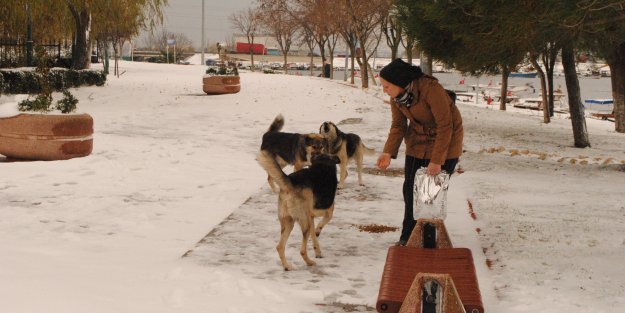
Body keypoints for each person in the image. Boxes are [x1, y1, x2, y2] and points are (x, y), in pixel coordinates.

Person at [376, 59, 464, 246]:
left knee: (430, 194)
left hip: (446, 143)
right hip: (417, 141)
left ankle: (428, 240)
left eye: (386, 86)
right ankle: (408, 237)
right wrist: (387, 152)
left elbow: (445, 125)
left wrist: (436, 160)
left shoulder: (430, 89)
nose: (384, 89)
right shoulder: (397, 98)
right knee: (410, 190)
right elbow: (398, 125)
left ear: (399, 82)